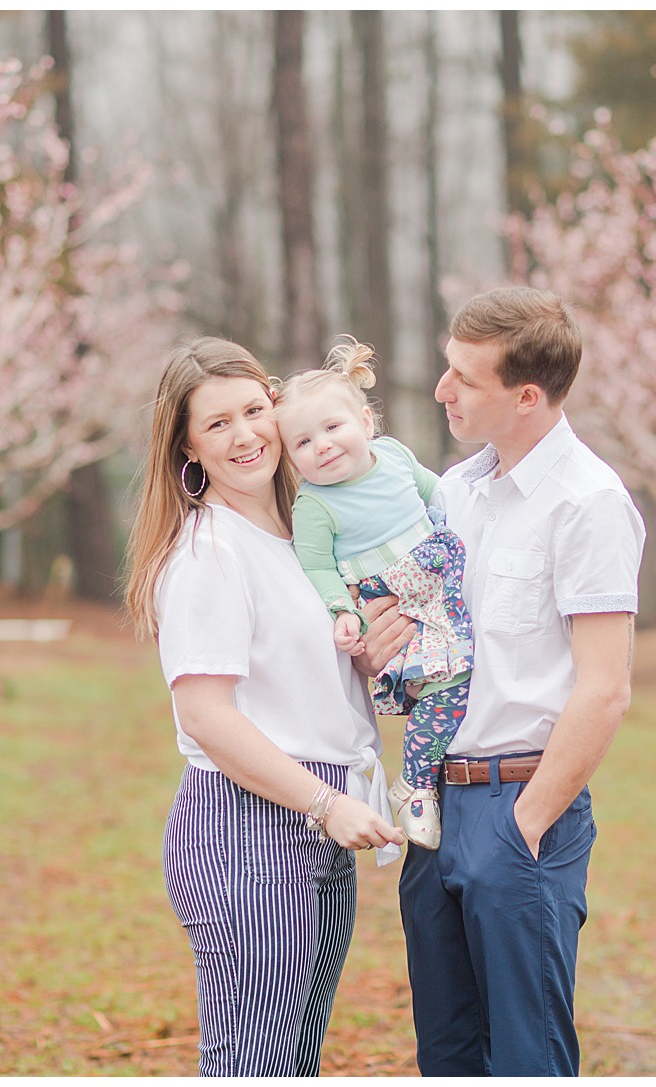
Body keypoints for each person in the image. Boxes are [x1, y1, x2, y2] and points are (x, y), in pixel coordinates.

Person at [363, 287, 645, 1076]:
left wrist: (526, 823)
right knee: (447, 1052)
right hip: (434, 803)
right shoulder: (455, 492)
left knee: (527, 1057)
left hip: (519, 805)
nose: (442, 390)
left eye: (464, 378)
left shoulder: (588, 505)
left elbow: (605, 688)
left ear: (527, 396)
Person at [123, 336, 407, 1077]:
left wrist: (370, 658)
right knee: (253, 1066)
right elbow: (207, 717)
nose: (246, 434)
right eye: (217, 424)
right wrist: (323, 804)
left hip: (317, 825)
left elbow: (302, 683)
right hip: (250, 832)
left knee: (291, 1064)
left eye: (255, 410)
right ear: (186, 446)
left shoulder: (295, 540)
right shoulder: (210, 553)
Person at [274, 337, 475, 850]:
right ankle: (416, 783)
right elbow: (316, 566)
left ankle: (423, 778)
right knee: (447, 680)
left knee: (455, 684)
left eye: (332, 427)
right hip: (387, 597)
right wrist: (342, 608)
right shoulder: (315, 507)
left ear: (366, 423)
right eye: (301, 443)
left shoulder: (394, 457)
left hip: (435, 588)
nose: (320, 445)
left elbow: (441, 496)